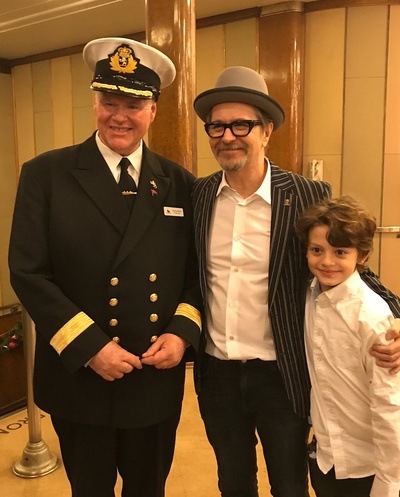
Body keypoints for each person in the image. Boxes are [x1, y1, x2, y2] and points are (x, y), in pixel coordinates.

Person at [191, 66, 400, 497]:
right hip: (217, 372)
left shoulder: (306, 193)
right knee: (232, 481)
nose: (228, 136)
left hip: (282, 372)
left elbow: (348, 264)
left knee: (289, 483)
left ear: (266, 130)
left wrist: (398, 315)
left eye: (242, 125)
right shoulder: (198, 195)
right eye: (217, 126)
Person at [8, 37, 201, 497]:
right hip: (80, 376)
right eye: (109, 102)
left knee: (148, 489)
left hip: (152, 376)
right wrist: (90, 346)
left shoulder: (180, 182)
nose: (120, 116)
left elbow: (197, 273)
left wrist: (181, 332)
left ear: (153, 110)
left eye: (133, 105)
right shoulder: (46, 174)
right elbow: (28, 272)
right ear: (94, 104)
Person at [295, 196, 400, 497]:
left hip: (367, 465)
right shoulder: (310, 295)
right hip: (326, 457)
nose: (327, 262)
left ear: (362, 255)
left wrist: (389, 483)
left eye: (340, 252)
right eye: (317, 250)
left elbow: (390, 404)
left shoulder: (371, 317)